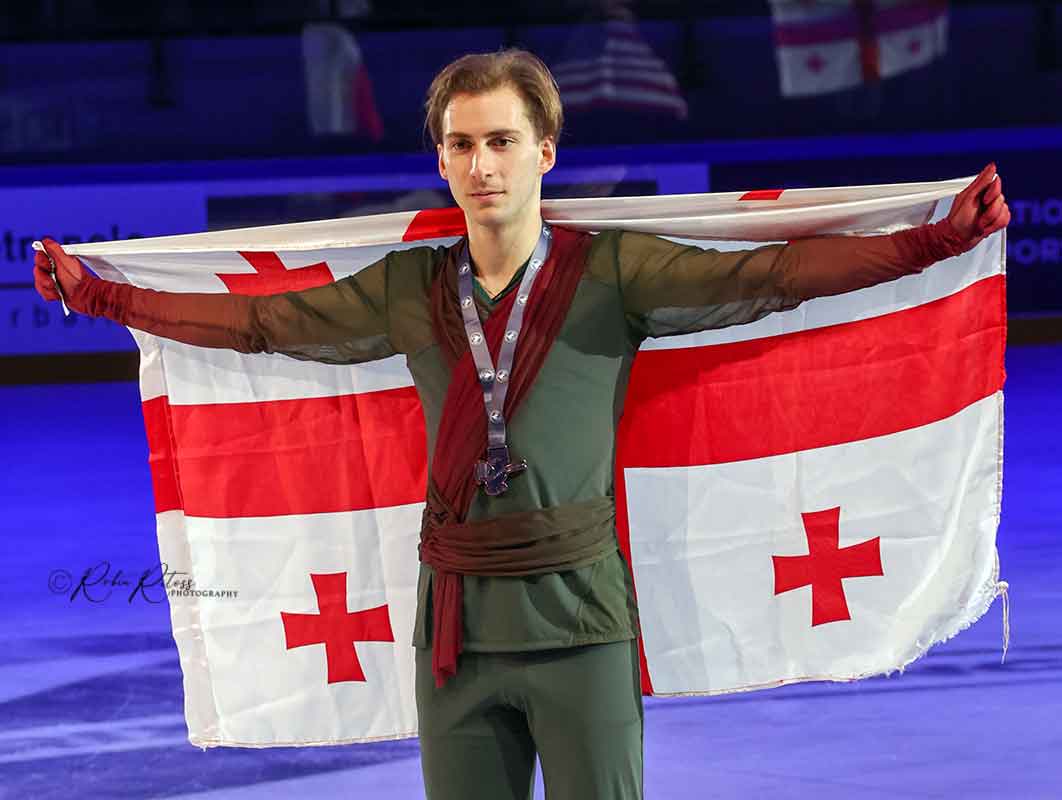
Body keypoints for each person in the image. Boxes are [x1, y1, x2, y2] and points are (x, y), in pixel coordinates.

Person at [35, 49, 1009, 800]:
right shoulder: (410, 287)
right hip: (453, 637)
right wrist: (103, 296)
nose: (482, 165)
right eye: (461, 145)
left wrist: (937, 240)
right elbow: (261, 323)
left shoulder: (614, 271)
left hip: (580, 626)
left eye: (501, 141)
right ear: (441, 160)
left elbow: (774, 274)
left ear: (545, 152)